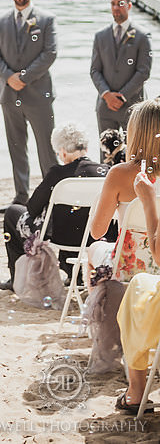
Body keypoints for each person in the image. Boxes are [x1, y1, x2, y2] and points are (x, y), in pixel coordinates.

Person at [0, 123, 112, 292]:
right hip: (97, 236)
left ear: (63, 151)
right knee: (79, 216)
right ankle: (74, 276)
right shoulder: (106, 171)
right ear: (86, 148)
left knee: (12, 212)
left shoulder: (58, 174)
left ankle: (16, 279)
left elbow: (32, 208)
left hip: (63, 237)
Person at [0, 0, 59, 206]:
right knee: (16, 148)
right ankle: (21, 197)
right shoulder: (1, 22)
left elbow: (50, 53)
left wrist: (25, 77)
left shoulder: (47, 20)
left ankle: (52, 196)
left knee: (46, 148)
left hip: (39, 96)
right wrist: (9, 77)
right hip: (10, 96)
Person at [111, 103, 160, 412]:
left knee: (138, 286)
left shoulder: (122, 175)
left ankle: (136, 390)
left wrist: (147, 201)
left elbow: (97, 229)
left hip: (132, 267)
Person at [89, 99, 160, 283]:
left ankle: (97, 311)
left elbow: (97, 231)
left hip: (127, 267)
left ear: (135, 135)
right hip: (157, 270)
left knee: (93, 249)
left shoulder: (119, 174)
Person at [90, 0, 153, 151]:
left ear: (129, 6)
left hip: (132, 106)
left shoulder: (143, 36)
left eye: (120, 4)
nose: (116, 7)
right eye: (112, 4)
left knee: (134, 153)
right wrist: (107, 95)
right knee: (106, 156)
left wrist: (122, 96)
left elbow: (144, 71)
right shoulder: (100, 36)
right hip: (105, 106)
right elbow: (95, 70)